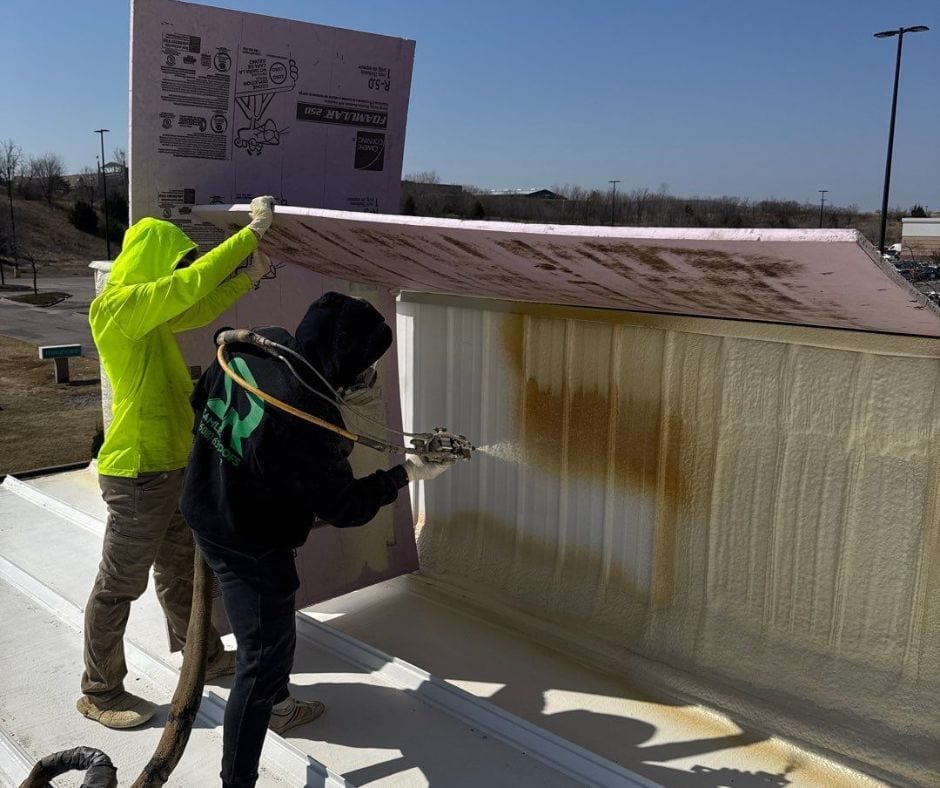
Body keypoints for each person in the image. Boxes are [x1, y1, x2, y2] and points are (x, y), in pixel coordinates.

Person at [180, 292, 454, 788]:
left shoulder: (255, 348)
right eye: (366, 365)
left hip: (203, 504)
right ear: (347, 360)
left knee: (270, 639)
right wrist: (406, 473)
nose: (366, 376)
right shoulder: (313, 418)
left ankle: (279, 704)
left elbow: (201, 405)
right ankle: (236, 779)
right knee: (260, 663)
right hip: (250, 547)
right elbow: (343, 507)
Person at [78, 196, 276, 729]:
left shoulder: (146, 315)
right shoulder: (117, 305)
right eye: (172, 260)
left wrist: (246, 278)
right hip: (136, 471)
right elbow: (184, 289)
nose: (179, 270)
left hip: (168, 466)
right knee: (119, 583)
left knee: (180, 574)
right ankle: (99, 690)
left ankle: (205, 659)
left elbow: (197, 308)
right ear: (150, 260)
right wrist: (250, 234)